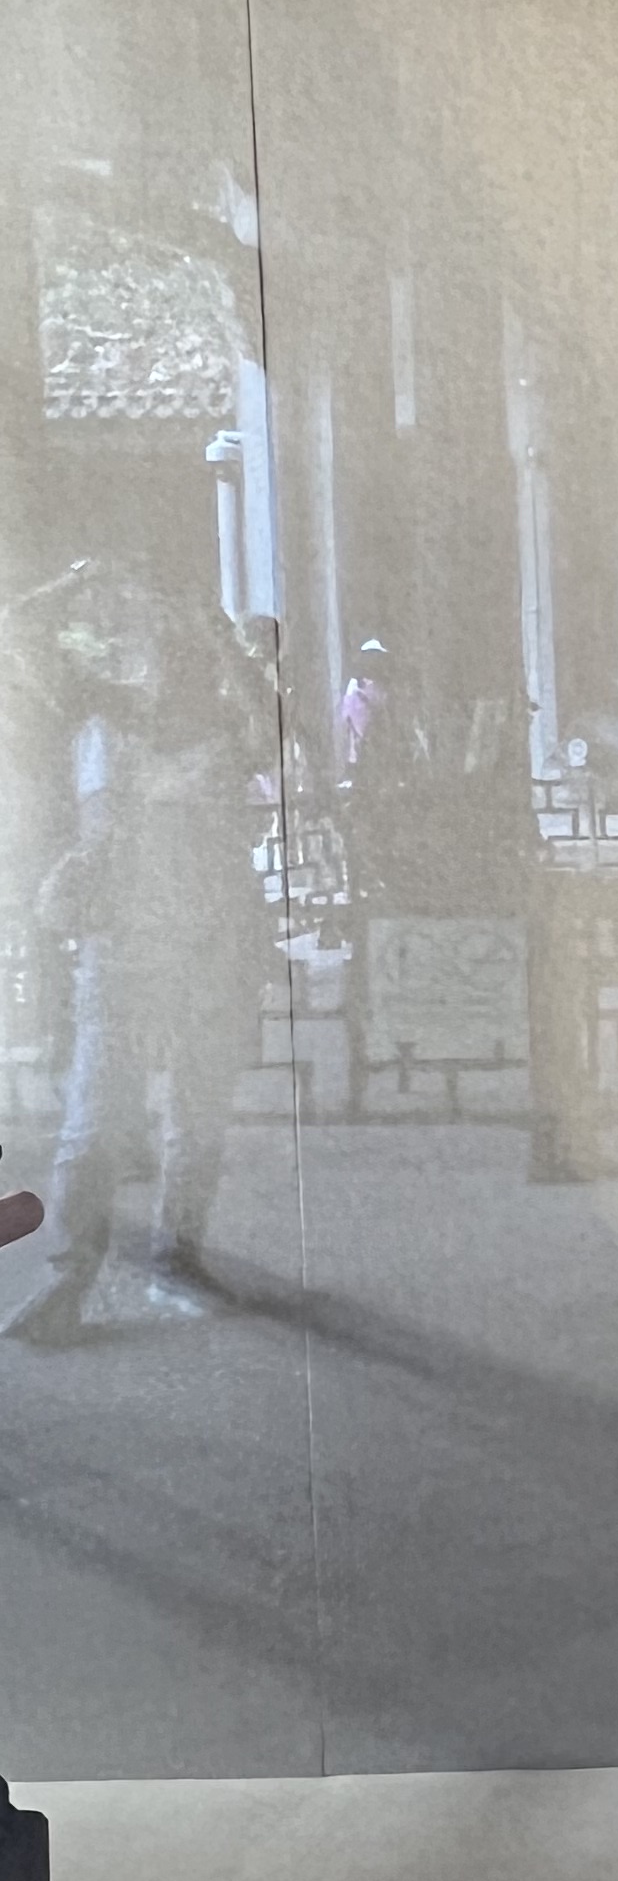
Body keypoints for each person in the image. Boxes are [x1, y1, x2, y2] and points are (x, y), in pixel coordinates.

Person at [2, 568, 279, 1343]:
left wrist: (222, 638)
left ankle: (176, 1257)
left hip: (214, 940)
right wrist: (76, 582)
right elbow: (14, 633)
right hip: (122, 944)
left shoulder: (223, 724)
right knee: (96, 1125)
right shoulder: (100, 719)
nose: (156, 655)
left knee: (197, 1115)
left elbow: (274, 742)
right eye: (144, 641)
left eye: (171, 640)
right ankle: (68, 1276)